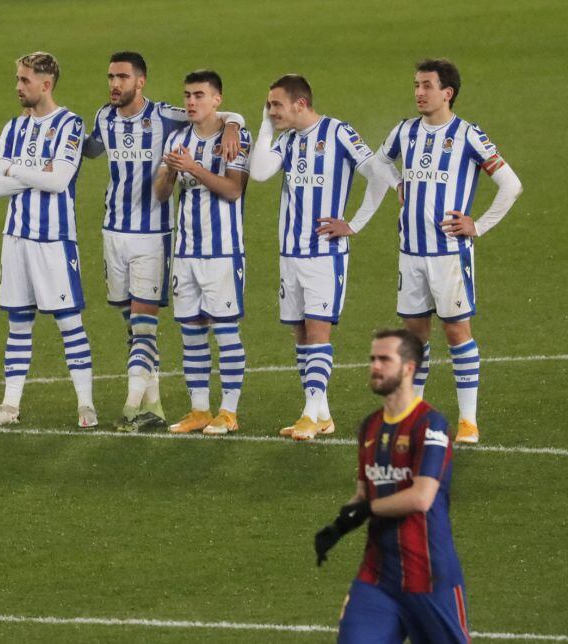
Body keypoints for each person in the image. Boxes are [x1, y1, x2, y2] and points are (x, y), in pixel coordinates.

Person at [340, 59, 523, 444]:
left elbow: (511, 185)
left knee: (457, 332)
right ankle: (412, 417)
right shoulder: (405, 132)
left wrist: (477, 225)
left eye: (426, 85)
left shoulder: (469, 135)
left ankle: (468, 421)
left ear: (447, 93)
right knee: (414, 337)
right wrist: (397, 184)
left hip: (449, 255)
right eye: (416, 85)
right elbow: (377, 164)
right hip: (411, 253)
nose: (419, 92)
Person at [82, 51, 245, 433]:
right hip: (112, 231)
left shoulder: (167, 117)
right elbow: (90, 148)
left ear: (140, 82)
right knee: (132, 325)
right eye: (110, 76)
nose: (114, 84)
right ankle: (152, 403)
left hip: (153, 236)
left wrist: (235, 123)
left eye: (122, 77)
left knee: (144, 326)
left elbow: (213, 113)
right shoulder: (104, 117)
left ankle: (130, 406)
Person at [249, 74, 397, 441]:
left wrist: (356, 223)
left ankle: (309, 415)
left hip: (324, 253)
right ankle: (322, 414)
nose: (271, 111)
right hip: (290, 253)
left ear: (300, 103)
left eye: (276, 105)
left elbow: (377, 172)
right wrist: (266, 125)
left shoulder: (338, 132)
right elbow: (260, 172)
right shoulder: (287, 140)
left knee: (317, 331)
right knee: (300, 333)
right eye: (269, 105)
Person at [314, 328, 470, 643]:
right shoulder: (370, 427)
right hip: (378, 578)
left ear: (409, 368)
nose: (375, 366)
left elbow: (421, 497)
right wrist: (339, 526)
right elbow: (363, 493)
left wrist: (367, 508)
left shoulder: (431, 425)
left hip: (429, 578)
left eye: (384, 359)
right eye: (373, 358)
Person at [0, 52, 96, 429]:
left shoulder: (70, 124)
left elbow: (60, 180)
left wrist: (16, 168)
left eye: (25, 80)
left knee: (68, 322)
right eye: (18, 78)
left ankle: (86, 406)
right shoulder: (13, 127)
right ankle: (9, 406)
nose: (18, 86)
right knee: (18, 323)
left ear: (45, 85)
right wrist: (37, 171)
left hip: (54, 240)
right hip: (15, 238)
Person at [153, 70, 252, 436]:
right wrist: (170, 173)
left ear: (217, 100)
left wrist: (193, 168)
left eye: (199, 95)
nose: (191, 102)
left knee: (225, 331)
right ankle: (198, 410)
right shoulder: (178, 137)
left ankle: (229, 411)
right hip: (186, 252)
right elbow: (162, 193)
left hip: (223, 251)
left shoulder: (237, 137)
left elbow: (232, 190)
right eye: (187, 95)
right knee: (191, 331)